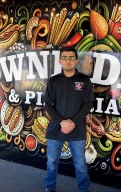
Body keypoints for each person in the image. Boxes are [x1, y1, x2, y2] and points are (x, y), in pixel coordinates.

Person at [44, 48, 94, 192]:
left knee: (80, 164)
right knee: (52, 162)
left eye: (71, 57)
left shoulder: (84, 80)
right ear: (60, 61)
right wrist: (62, 122)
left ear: (76, 61)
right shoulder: (53, 81)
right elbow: (48, 104)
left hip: (77, 130)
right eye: (64, 57)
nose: (68, 60)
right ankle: (49, 188)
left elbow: (88, 103)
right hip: (55, 129)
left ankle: (84, 189)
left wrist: (72, 123)